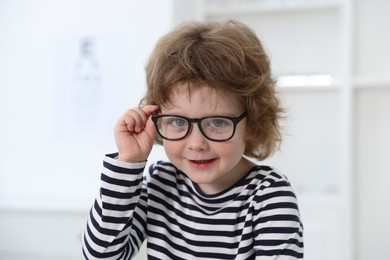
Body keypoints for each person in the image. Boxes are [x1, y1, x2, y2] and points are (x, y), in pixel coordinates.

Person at [82, 19, 304, 259]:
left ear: (252, 123)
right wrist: (129, 162)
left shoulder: (269, 197)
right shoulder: (161, 182)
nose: (196, 144)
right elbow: (101, 255)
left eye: (217, 122)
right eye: (178, 122)